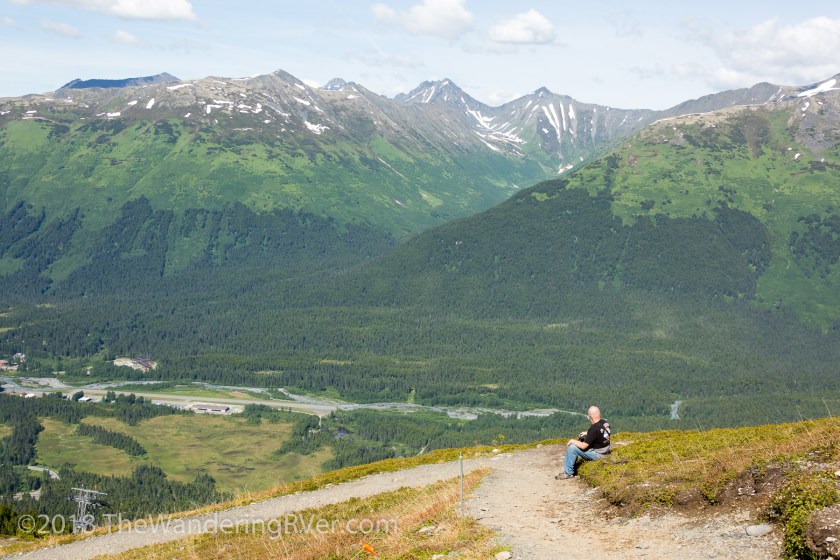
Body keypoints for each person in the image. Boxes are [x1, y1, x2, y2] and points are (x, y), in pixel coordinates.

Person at [555, 405, 611, 480]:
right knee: (584, 438)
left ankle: (568, 473)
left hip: (599, 455)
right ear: (599, 414)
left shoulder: (594, 429)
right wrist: (587, 433)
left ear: (590, 417)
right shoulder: (604, 422)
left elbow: (583, 446)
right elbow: (600, 433)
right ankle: (569, 470)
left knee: (572, 448)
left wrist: (572, 440)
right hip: (607, 451)